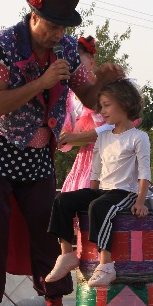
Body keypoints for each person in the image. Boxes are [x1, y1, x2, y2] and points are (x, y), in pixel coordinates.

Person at [0, 0, 124, 306]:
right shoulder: (1, 44)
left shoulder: (67, 50)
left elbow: (87, 96)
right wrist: (43, 82)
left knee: (49, 228)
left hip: (37, 150)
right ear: (34, 16)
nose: (57, 34)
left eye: (63, 27)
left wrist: (105, 82)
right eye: (52, 25)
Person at [45, 78, 151, 288]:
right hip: (104, 190)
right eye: (101, 106)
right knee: (63, 200)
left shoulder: (138, 137)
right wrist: (87, 196)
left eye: (107, 105)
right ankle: (67, 254)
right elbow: (95, 171)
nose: (102, 111)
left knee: (99, 206)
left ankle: (106, 263)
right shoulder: (103, 137)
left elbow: (144, 172)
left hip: (125, 192)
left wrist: (140, 201)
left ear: (124, 103)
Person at [57, 35, 114, 192]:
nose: (74, 68)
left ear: (91, 62)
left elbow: (112, 128)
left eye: (78, 63)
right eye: (70, 63)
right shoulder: (68, 97)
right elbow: (67, 140)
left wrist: (73, 138)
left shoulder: (102, 91)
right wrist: (62, 139)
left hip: (107, 158)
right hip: (85, 159)